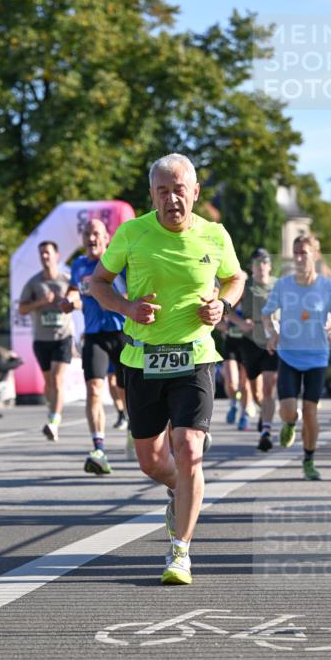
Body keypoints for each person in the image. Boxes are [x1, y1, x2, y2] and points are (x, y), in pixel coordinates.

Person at [90, 153, 244, 585]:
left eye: (180, 190)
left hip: (195, 355)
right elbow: (97, 284)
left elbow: (236, 277)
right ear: (152, 195)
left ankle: (180, 551)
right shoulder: (132, 233)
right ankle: (180, 488)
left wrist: (223, 304)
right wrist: (126, 307)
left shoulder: (214, 235)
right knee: (151, 461)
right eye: (163, 191)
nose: (172, 199)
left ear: (194, 192)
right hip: (142, 358)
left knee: (190, 448)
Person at [262, 233, 331, 479]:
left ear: (315, 255)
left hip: (317, 358)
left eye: (304, 252)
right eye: (296, 252)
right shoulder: (282, 285)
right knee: (289, 410)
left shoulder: (327, 287)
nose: (300, 257)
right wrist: (272, 333)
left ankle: (309, 459)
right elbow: (267, 315)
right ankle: (290, 423)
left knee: (311, 412)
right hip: (289, 354)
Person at [60, 219, 127, 475]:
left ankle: (134, 427)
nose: (91, 238)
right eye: (87, 234)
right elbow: (74, 292)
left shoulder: (118, 261)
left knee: (125, 390)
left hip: (122, 331)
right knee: (95, 388)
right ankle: (98, 447)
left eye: (96, 233)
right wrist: (69, 301)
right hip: (95, 335)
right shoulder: (79, 265)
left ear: (106, 237)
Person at [18, 240, 73, 441]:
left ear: (57, 255)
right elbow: (22, 309)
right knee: (49, 383)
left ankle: (54, 421)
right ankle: (53, 412)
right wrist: (41, 302)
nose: (45, 257)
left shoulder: (67, 280)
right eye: (42, 253)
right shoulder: (34, 283)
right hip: (42, 339)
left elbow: (80, 302)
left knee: (58, 379)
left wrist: (66, 302)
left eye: (48, 253)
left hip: (63, 337)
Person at [237, 248, 278, 451]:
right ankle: (264, 412)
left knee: (270, 384)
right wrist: (239, 322)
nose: (261, 266)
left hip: (272, 340)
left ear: (270, 266)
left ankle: (266, 430)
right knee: (257, 391)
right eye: (257, 263)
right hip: (251, 341)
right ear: (252, 267)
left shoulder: (278, 285)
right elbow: (225, 307)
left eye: (264, 262)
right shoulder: (245, 286)